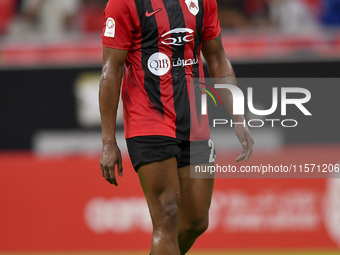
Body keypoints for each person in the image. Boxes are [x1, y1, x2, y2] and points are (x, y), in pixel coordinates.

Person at [98, 0, 254, 254]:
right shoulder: (124, 3)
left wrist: (238, 117)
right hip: (148, 118)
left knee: (195, 221)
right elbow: (111, 69)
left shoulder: (203, 2)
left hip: (195, 120)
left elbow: (217, 57)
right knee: (167, 213)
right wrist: (108, 141)